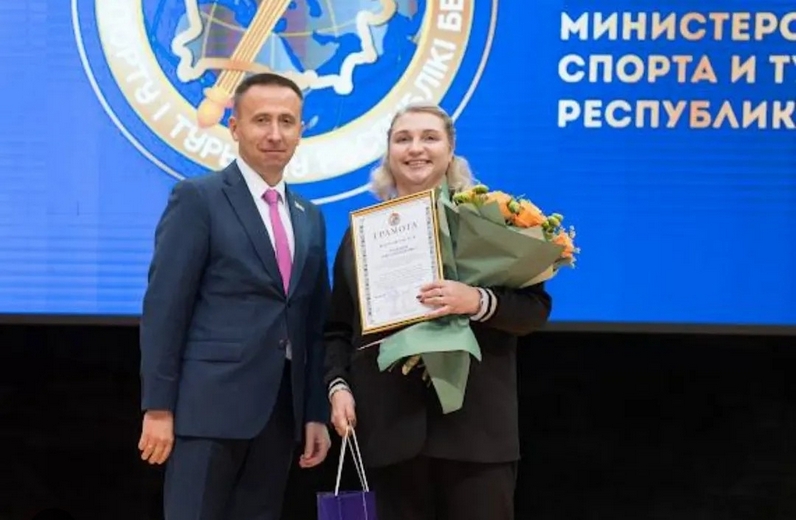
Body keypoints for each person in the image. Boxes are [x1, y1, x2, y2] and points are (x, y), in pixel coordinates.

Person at [323, 102, 553, 520]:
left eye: (430, 137)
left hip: (475, 436)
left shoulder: (489, 224)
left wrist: (477, 301)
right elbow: (338, 329)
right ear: (389, 153)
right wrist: (338, 386)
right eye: (403, 139)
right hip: (388, 433)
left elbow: (534, 310)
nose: (416, 148)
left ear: (450, 151)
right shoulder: (362, 235)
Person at [138, 72, 331, 520]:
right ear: (235, 127)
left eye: (287, 121)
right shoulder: (198, 198)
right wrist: (158, 407)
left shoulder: (309, 216)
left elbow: (313, 323)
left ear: (301, 130)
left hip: (279, 414)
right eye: (261, 120)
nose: (275, 133)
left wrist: (314, 412)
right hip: (206, 411)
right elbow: (166, 309)